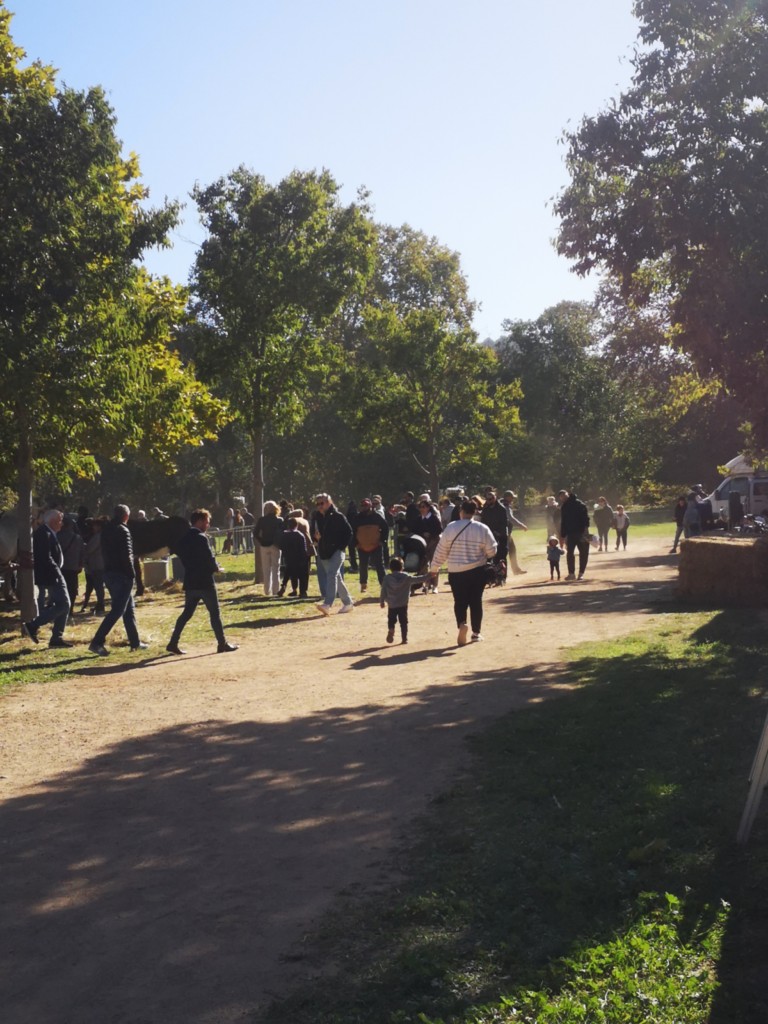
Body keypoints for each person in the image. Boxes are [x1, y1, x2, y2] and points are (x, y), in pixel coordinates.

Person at [166, 509, 238, 655]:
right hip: (205, 581)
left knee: (186, 614)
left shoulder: (184, 538)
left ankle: (173, 642)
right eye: (206, 522)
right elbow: (208, 558)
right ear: (199, 521)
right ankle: (222, 643)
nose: (208, 524)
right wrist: (216, 568)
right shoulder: (201, 538)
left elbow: (177, 551)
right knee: (214, 614)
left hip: (191, 580)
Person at [428, 498, 497, 645]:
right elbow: (492, 551)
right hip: (477, 570)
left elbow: (441, 550)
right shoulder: (482, 528)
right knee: (476, 601)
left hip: (456, 571)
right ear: (474, 512)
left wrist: (434, 568)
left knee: (459, 601)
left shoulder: (451, 527)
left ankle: (462, 624)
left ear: (461, 511)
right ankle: (476, 633)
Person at [88, 504, 147, 656]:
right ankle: (97, 642)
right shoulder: (123, 530)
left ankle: (135, 642)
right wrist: (132, 574)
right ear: (126, 516)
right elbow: (127, 555)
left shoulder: (106, 530)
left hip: (109, 572)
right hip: (122, 574)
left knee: (128, 609)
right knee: (118, 610)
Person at [22, 508, 72, 648]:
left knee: (64, 605)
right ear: (53, 521)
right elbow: (45, 557)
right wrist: (57, 572)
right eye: (60, 521)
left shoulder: (48, 532)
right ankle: (33, 625)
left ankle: (56, 638)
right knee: (64, 604)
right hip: (52, 575)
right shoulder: (44, 533)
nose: (62, 524)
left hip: (53, 573)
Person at [314, 493, 354, 615]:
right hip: (324, 551)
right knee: (336, 577)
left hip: (337, 551)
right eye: (317, 503)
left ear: (329, 503)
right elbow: (314, 532)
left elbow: (349, 532)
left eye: (322, 503)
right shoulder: (316, 517)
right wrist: (315, 538)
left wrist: (341, 548)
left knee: (331, 575)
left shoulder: (338, 516)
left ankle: (327, 604)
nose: (319, 506)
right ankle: (348, 603)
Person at [380, 556, 428, 644]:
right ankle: (404, 639)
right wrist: (429, 575)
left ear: (390, 568)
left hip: (392, 604)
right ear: (402, 567)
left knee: (391, 620)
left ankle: (391, 629)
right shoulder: (406, 577)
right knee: (403, 622)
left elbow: (383, 590)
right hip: (403, 604)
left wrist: (382, 601)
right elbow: (419, 579)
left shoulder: (387, 578)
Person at [354, 498, 388, 592]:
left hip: (376, 545)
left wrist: (382, 541)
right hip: (362, 546)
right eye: (363, 506)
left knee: (379, 565)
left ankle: (383, 585)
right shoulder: (357, 518)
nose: (365, 507)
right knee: (363, 566)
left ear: (370, 506)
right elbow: (353, 531)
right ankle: (363, 585)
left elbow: (385, 528)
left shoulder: (377, 516)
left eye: (366, 505)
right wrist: (356, 544)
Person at [557, 489, 590, 581]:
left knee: (583, 553)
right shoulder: (564, 506)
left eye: (564, 495)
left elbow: (586, 519)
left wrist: (585, 531)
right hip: (570, 533)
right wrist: (562, 535)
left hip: (581, 532)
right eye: (561, 496)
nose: (562, 497)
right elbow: (564, 522)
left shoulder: (580, 504)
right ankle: (572, 574)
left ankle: (581, 574)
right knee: (570, 554)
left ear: (568, 494)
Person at [254, 500, 284, 597]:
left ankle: (267, 591)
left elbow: (255, 533)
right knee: (276, 569)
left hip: (264, 545)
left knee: (266, 569)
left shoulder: (262, 520)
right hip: (276, 546)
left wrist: (261, 541)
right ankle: (276, 590)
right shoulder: (279, 520)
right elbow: (282, 533)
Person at [58, 515, 84, 619]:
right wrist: (80, 564)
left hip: (61, 567)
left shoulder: (57, 537)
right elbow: (82, 552)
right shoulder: (77, 538)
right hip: (73, 567)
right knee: (72, 589)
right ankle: (70, 608)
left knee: (61, 589)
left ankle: (61, 609)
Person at [278, 517, 310, 597]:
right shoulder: (300, 535)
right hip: (299, 557)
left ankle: (290, 588)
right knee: (302, 575)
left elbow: (281, 546)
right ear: (296, 525)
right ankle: (303, 591)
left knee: (290, 574)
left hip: (289, 558)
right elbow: (303, 548)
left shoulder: (284, 535)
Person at [81, 516, 107, 614]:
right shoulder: (103, 536)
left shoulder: (98, 537)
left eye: (95, 526)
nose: (93, 527)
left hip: (97, 564)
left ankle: (101, 604)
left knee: (98, 586)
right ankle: (100, 604)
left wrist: (84, 547)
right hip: (100, 563)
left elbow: (89, 549)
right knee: (99, 586)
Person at [501, 490, 529, 574]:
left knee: (511, 550)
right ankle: (503, 572)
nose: (512, 499)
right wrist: (521, 525)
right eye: (511, 497)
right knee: (506, 552)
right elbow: (510, 518)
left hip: (503, 532)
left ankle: (515, 569)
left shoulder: (500, 504)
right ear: (507, 497)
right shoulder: (505, 506)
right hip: (505, 532)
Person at [481, 490, 509, 570]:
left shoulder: (501, 509)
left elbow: (504, 523)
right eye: (487, 499)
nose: (489, 501)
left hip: (501, 535)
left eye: (491, 499)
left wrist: (498, 532)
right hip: (489, 535)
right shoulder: (485, 510)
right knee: (489, 556)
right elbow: (483, 522)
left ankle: (502, 574)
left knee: (501, 555)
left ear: (495, 498)